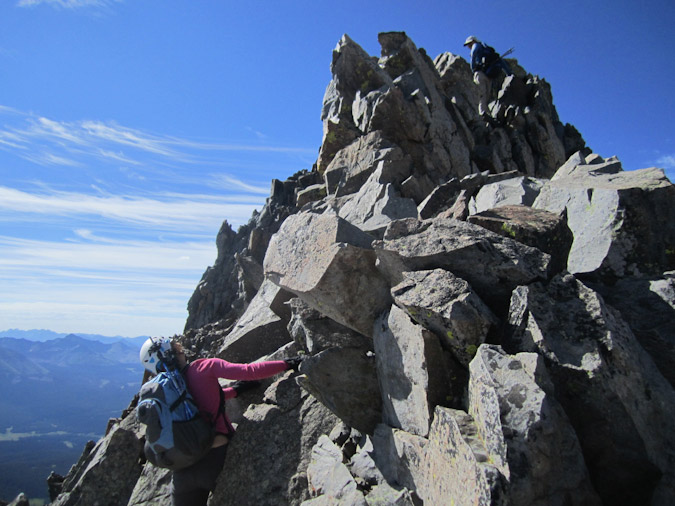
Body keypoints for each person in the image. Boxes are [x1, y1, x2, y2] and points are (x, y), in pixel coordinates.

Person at [139, 336, 303, 506]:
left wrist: (234, 391)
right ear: (174, 353)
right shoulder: (204, 367)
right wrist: (289, 363)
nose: (182, 351)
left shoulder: (162, 393)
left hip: (182, 470)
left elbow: (195, 403)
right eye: (179, 349)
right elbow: (249, 371)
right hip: (217, 456)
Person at [463, 35, 512, 118]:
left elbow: (474, 54)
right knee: (487, 95)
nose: (468, 46)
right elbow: (500, 60)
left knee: (481, 93)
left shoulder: (476, 46)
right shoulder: (486, 49)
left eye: (469, 44)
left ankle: (483, 113)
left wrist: (473, 68)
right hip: (489, 75)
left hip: (480, 73)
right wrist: (510, 74)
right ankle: (487, 114)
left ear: (473, 41)